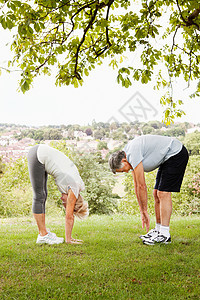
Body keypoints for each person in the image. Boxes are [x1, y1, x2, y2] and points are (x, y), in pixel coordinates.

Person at [109, 135, 189, 245]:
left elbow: (142, 186)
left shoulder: (133, 153)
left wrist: (145, 210)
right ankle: (158, 230)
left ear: (124, 160)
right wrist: (142, 211)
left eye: (123, 170)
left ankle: (165, 234)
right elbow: (137, 185)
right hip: (167, 158)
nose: (126, 172)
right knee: (156, 193)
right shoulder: (129, 155)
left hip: (176, 153)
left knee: (163, 193)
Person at [27, 144, 89, 245]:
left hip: (40, 154)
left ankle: (44, 233)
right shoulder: (74, 187)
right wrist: (69, 240)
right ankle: (43, 235)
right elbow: (69, 216)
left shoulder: (75, 184)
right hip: (39, 155)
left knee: (43, 195)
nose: (62, 200)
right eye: (65, 203)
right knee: (39, 196)